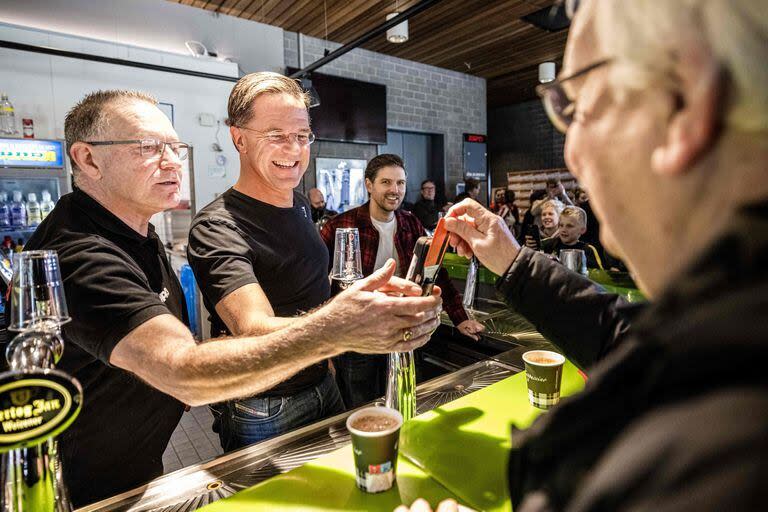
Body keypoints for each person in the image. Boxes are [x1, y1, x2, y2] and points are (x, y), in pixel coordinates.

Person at [398, 0, 768, 509]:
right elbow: (632, 336)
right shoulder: (735, 324)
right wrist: (513, 260)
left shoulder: (710, 464)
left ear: (688, 99)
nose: (572, 152)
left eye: (582, 105)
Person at [23, 89, 442, 508]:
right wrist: (341, 328)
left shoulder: (137, 232)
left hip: (133, 466)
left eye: (175, 147)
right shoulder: (78, 251)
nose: (172, 161)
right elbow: (183, 369)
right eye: (149, 148)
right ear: (88, 158)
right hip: (66, 488)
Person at [188, 72, 386, 451]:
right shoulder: (218, 225)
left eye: (301, 136)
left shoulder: (296, 204)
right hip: (266, 405)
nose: (293, 149)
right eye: (276, 135)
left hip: (321, 382)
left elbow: (304, 287)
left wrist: (325, 359)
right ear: (238, 138)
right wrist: (347, 322)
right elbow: (252, 328)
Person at [320, 154, 484, 407]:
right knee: (359, 404)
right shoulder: (341, 225)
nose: (394, 190)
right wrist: (324, 344)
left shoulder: (411, 223)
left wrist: (460, 317)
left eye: (400, 183)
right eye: (386, 182)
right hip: (357, 334)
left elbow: (435, 270)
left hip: (402, 329)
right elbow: (318, 285)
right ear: (369, 185)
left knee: (402, 399)